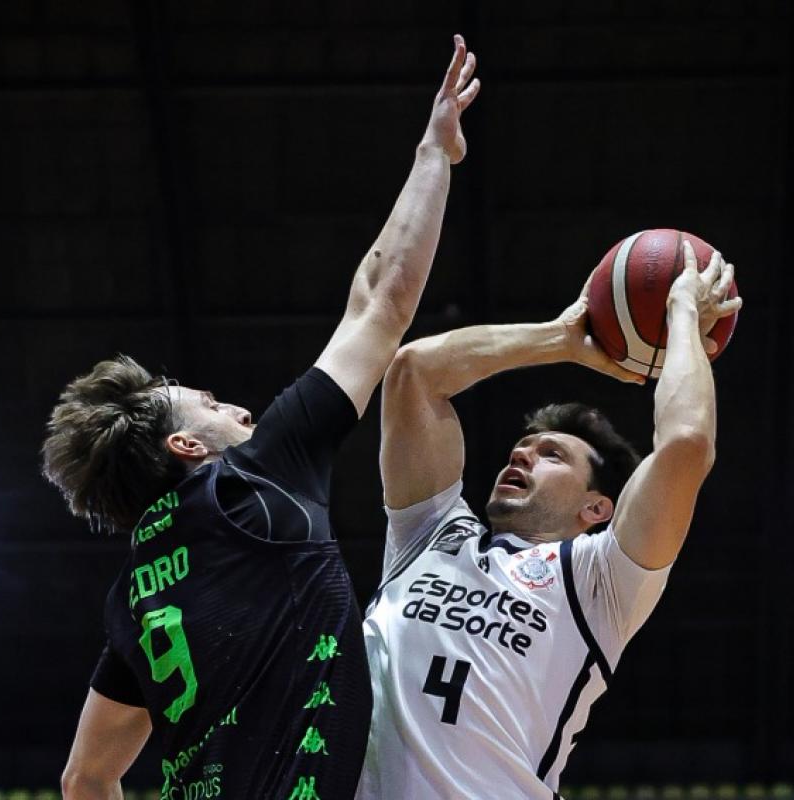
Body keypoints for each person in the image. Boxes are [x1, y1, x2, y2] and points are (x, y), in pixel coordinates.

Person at [40, 35, 480, 800]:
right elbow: (381, 301)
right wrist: (434, 153)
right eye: (211, 406)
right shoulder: (250, 483)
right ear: (186, 445)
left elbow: (85, 778)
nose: (241, 410)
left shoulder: (133, 596)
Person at [359, 242, 743, 798]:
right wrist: (562, 338)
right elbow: (414, 372)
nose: (521, 454)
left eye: (552, 455)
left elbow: (686, 444)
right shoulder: (428, 534)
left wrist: (681, 311)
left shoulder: (600, 580)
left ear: (597, 508)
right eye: (522, 447)